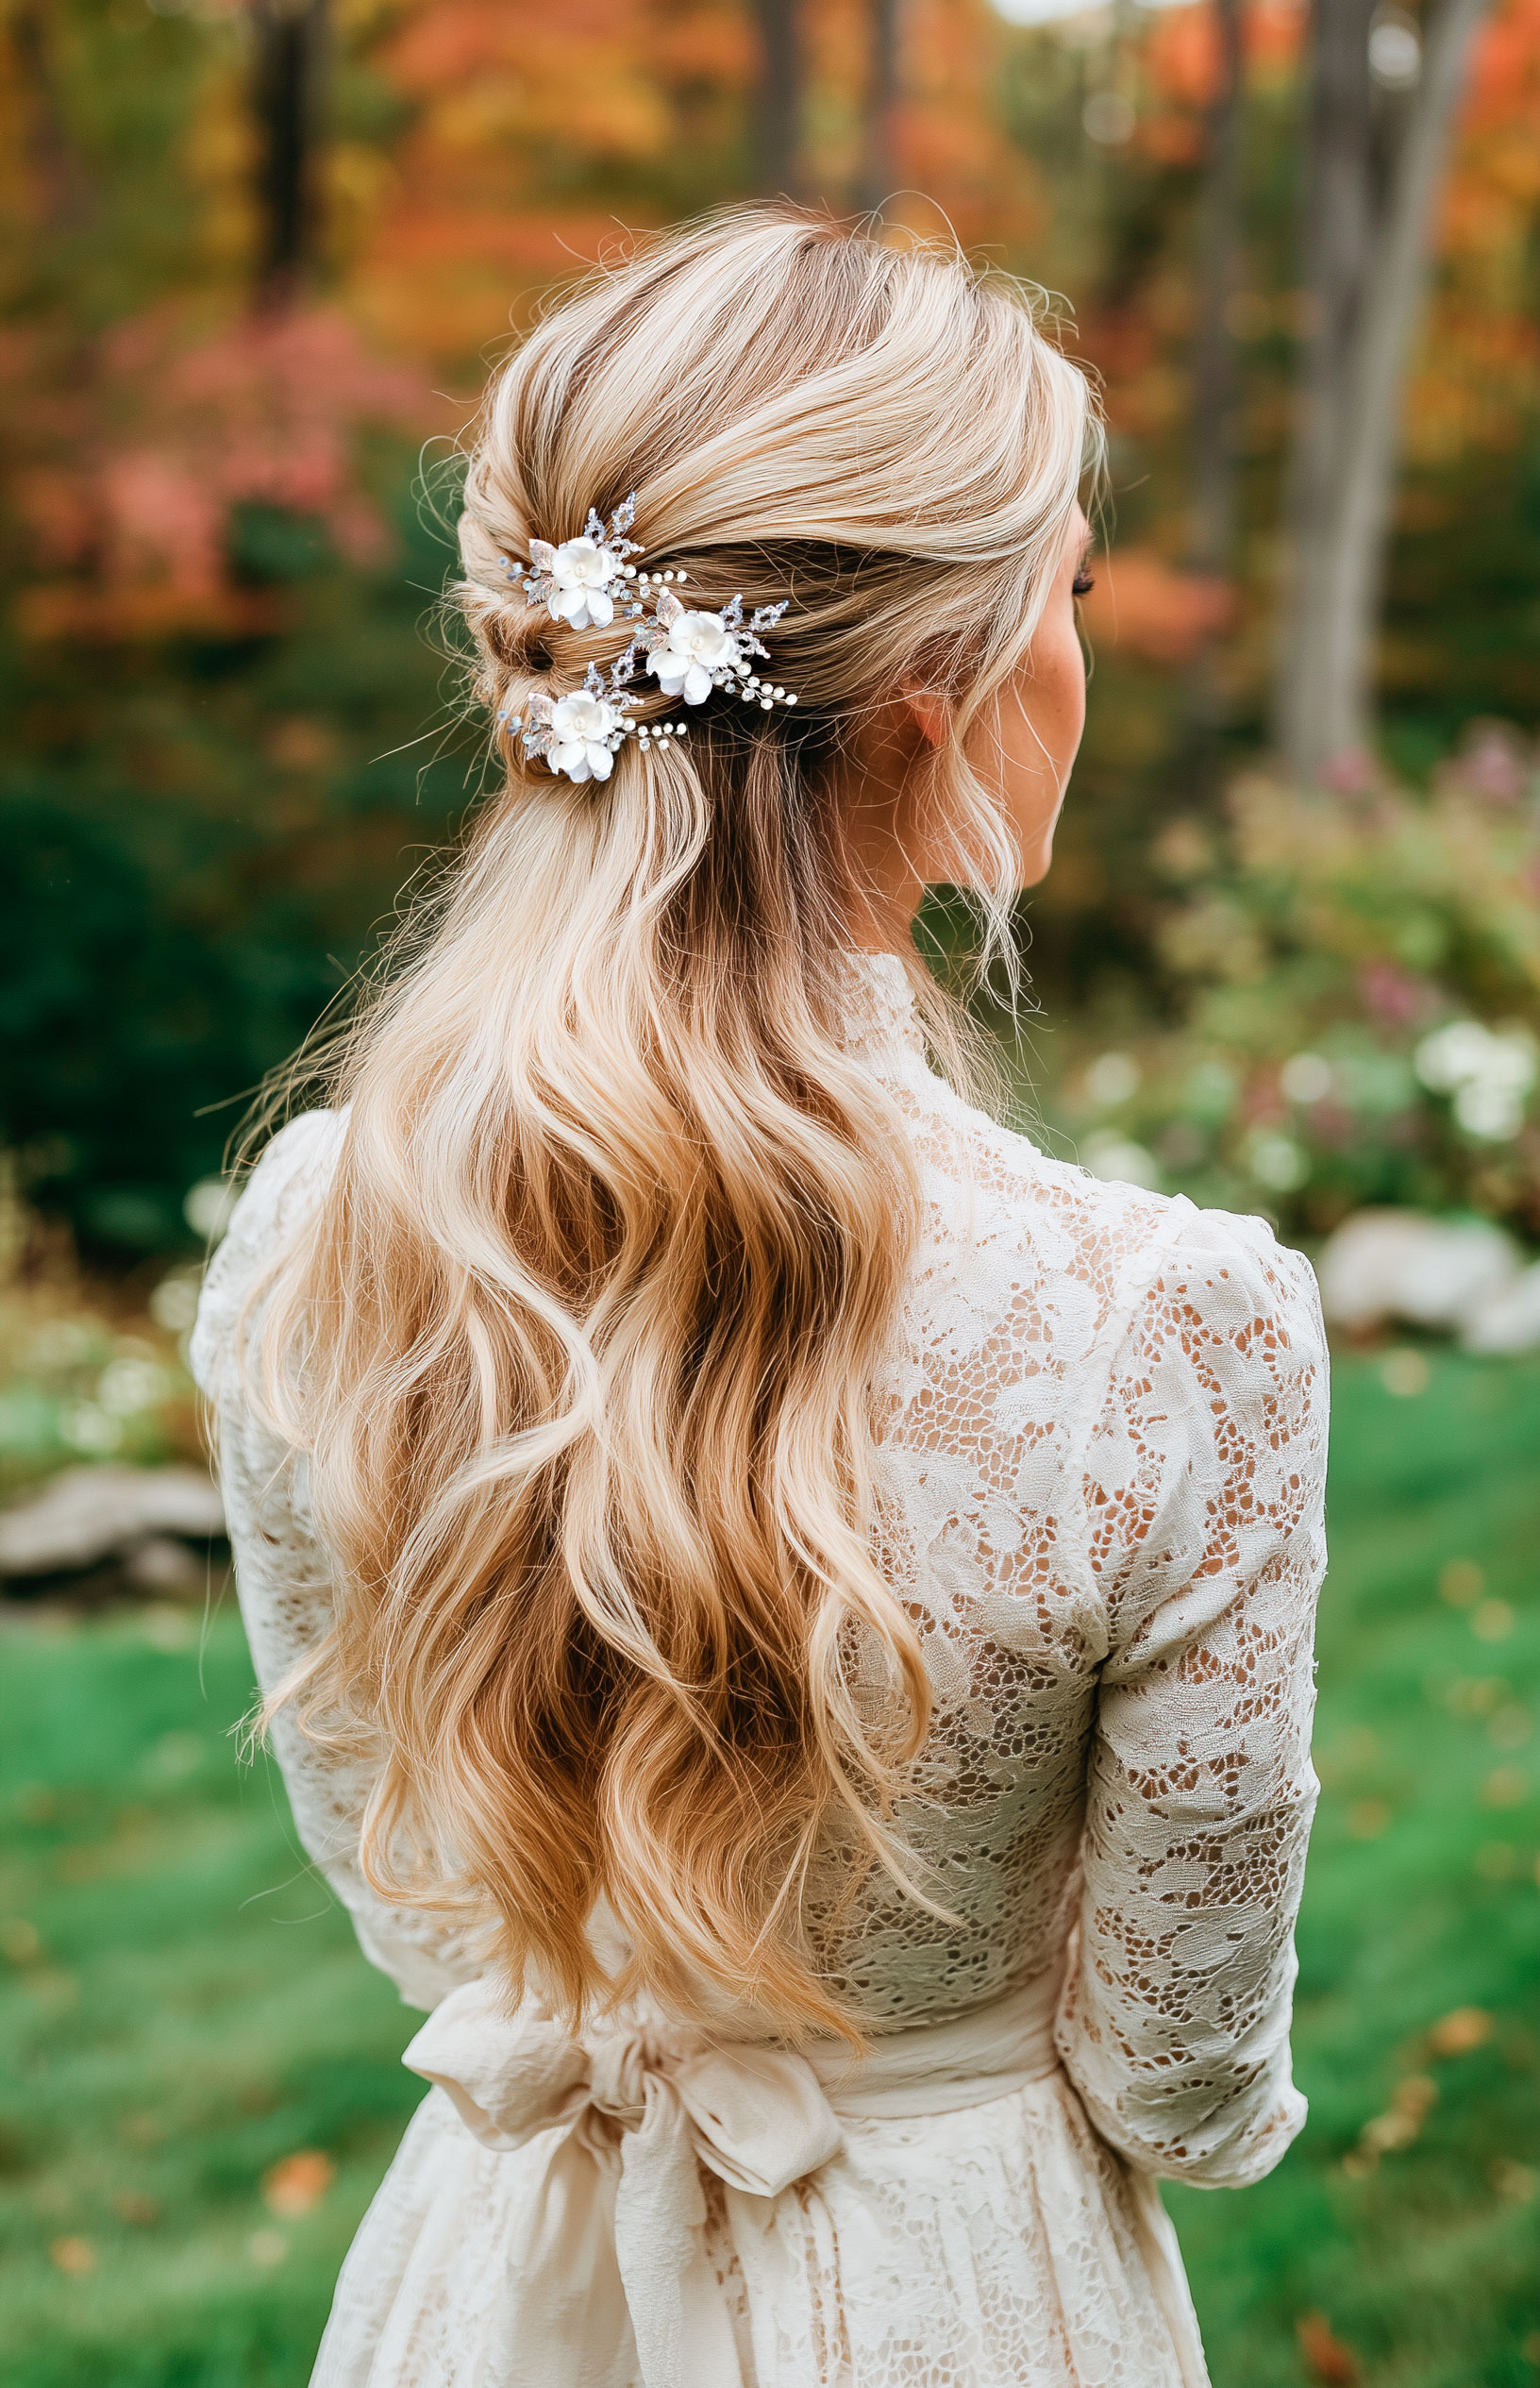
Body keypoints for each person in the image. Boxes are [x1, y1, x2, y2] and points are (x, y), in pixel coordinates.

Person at [193, 210, 1329, 2388]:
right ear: (950, 692)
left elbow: (419, 1892)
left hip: (491, 2276)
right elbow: (1182, 2075)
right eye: (1066, 595)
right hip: (962, 2300)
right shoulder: (1172, 1327)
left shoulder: (319, 1229)